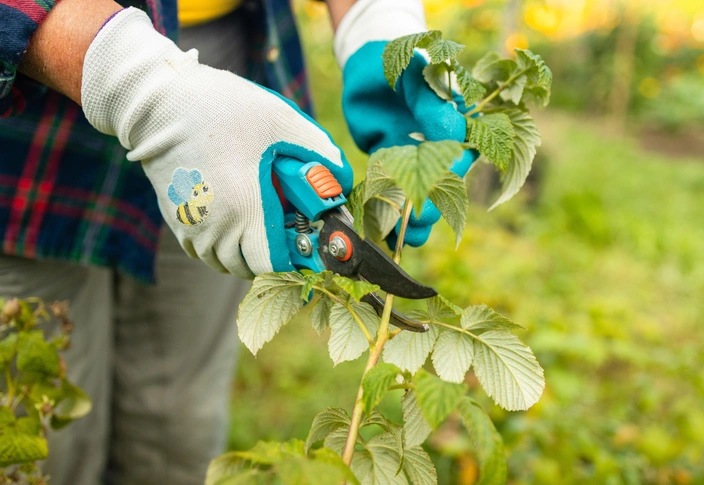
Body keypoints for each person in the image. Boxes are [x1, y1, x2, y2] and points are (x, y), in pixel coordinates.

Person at [0, 0, 476, 483]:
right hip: (30, 95)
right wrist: (132, 79)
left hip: (227, 77)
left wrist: (374, 21)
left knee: (178, 425)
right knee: (39, 437)